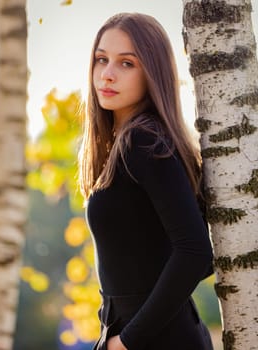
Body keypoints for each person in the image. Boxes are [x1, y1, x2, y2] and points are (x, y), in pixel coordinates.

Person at [78, 12, 214, 350]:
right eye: (101, 59)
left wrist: (127, 340)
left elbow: (196, 252)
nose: (107, 74)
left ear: (152, 72)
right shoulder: (130, 144)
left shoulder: (144, 142)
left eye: (127, 64)